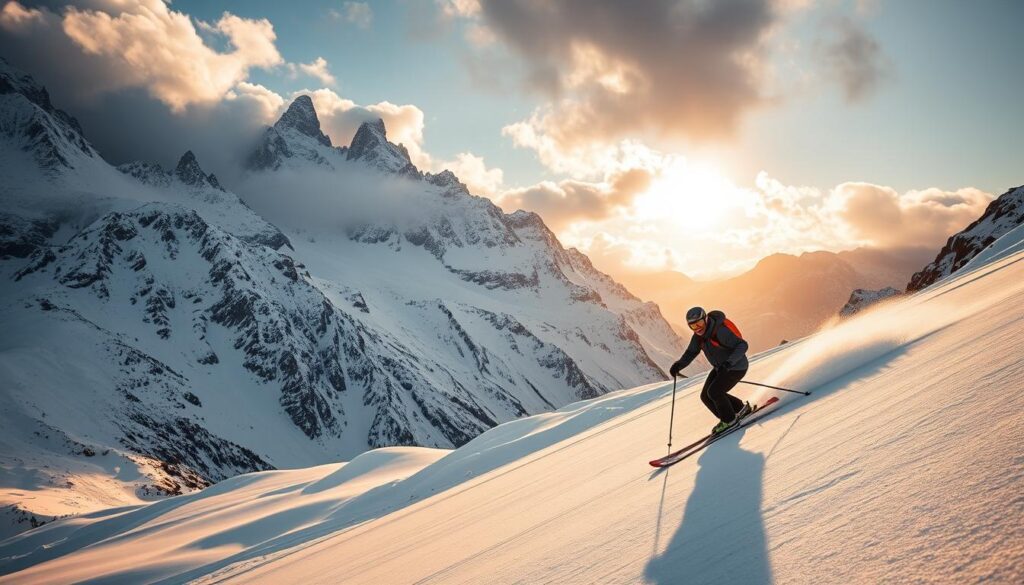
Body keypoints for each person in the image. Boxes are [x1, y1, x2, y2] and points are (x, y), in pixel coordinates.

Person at [669, 306, 752, 434]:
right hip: (721, 368)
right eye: (693, 326)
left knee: (714, 392)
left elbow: (742, 345)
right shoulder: (698, 337)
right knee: (705, 396)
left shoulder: (720, 332)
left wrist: (729, 363)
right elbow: (691, 352)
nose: (698, 328)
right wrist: (679, 365)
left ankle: (729, 420)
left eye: (699, 323)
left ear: (706, 319)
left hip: (736, 367)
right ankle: (740, 409)